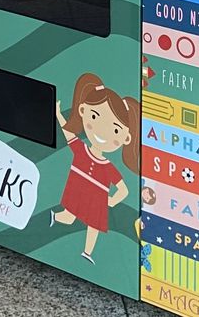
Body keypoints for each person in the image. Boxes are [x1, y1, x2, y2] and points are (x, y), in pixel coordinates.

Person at [51, 73, 139, 263]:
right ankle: (54, 218)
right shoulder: (82, 151)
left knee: (93, 226)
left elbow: (123, 189)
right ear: (82, 110)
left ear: (126, 138)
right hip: (80, 191)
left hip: (97, 199)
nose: (101, 131)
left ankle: (87, 252)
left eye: (115, 130)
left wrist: (112, 201)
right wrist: (58, 114)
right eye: (94, 116)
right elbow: (68, 134)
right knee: (70, 215)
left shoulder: (108, 166)